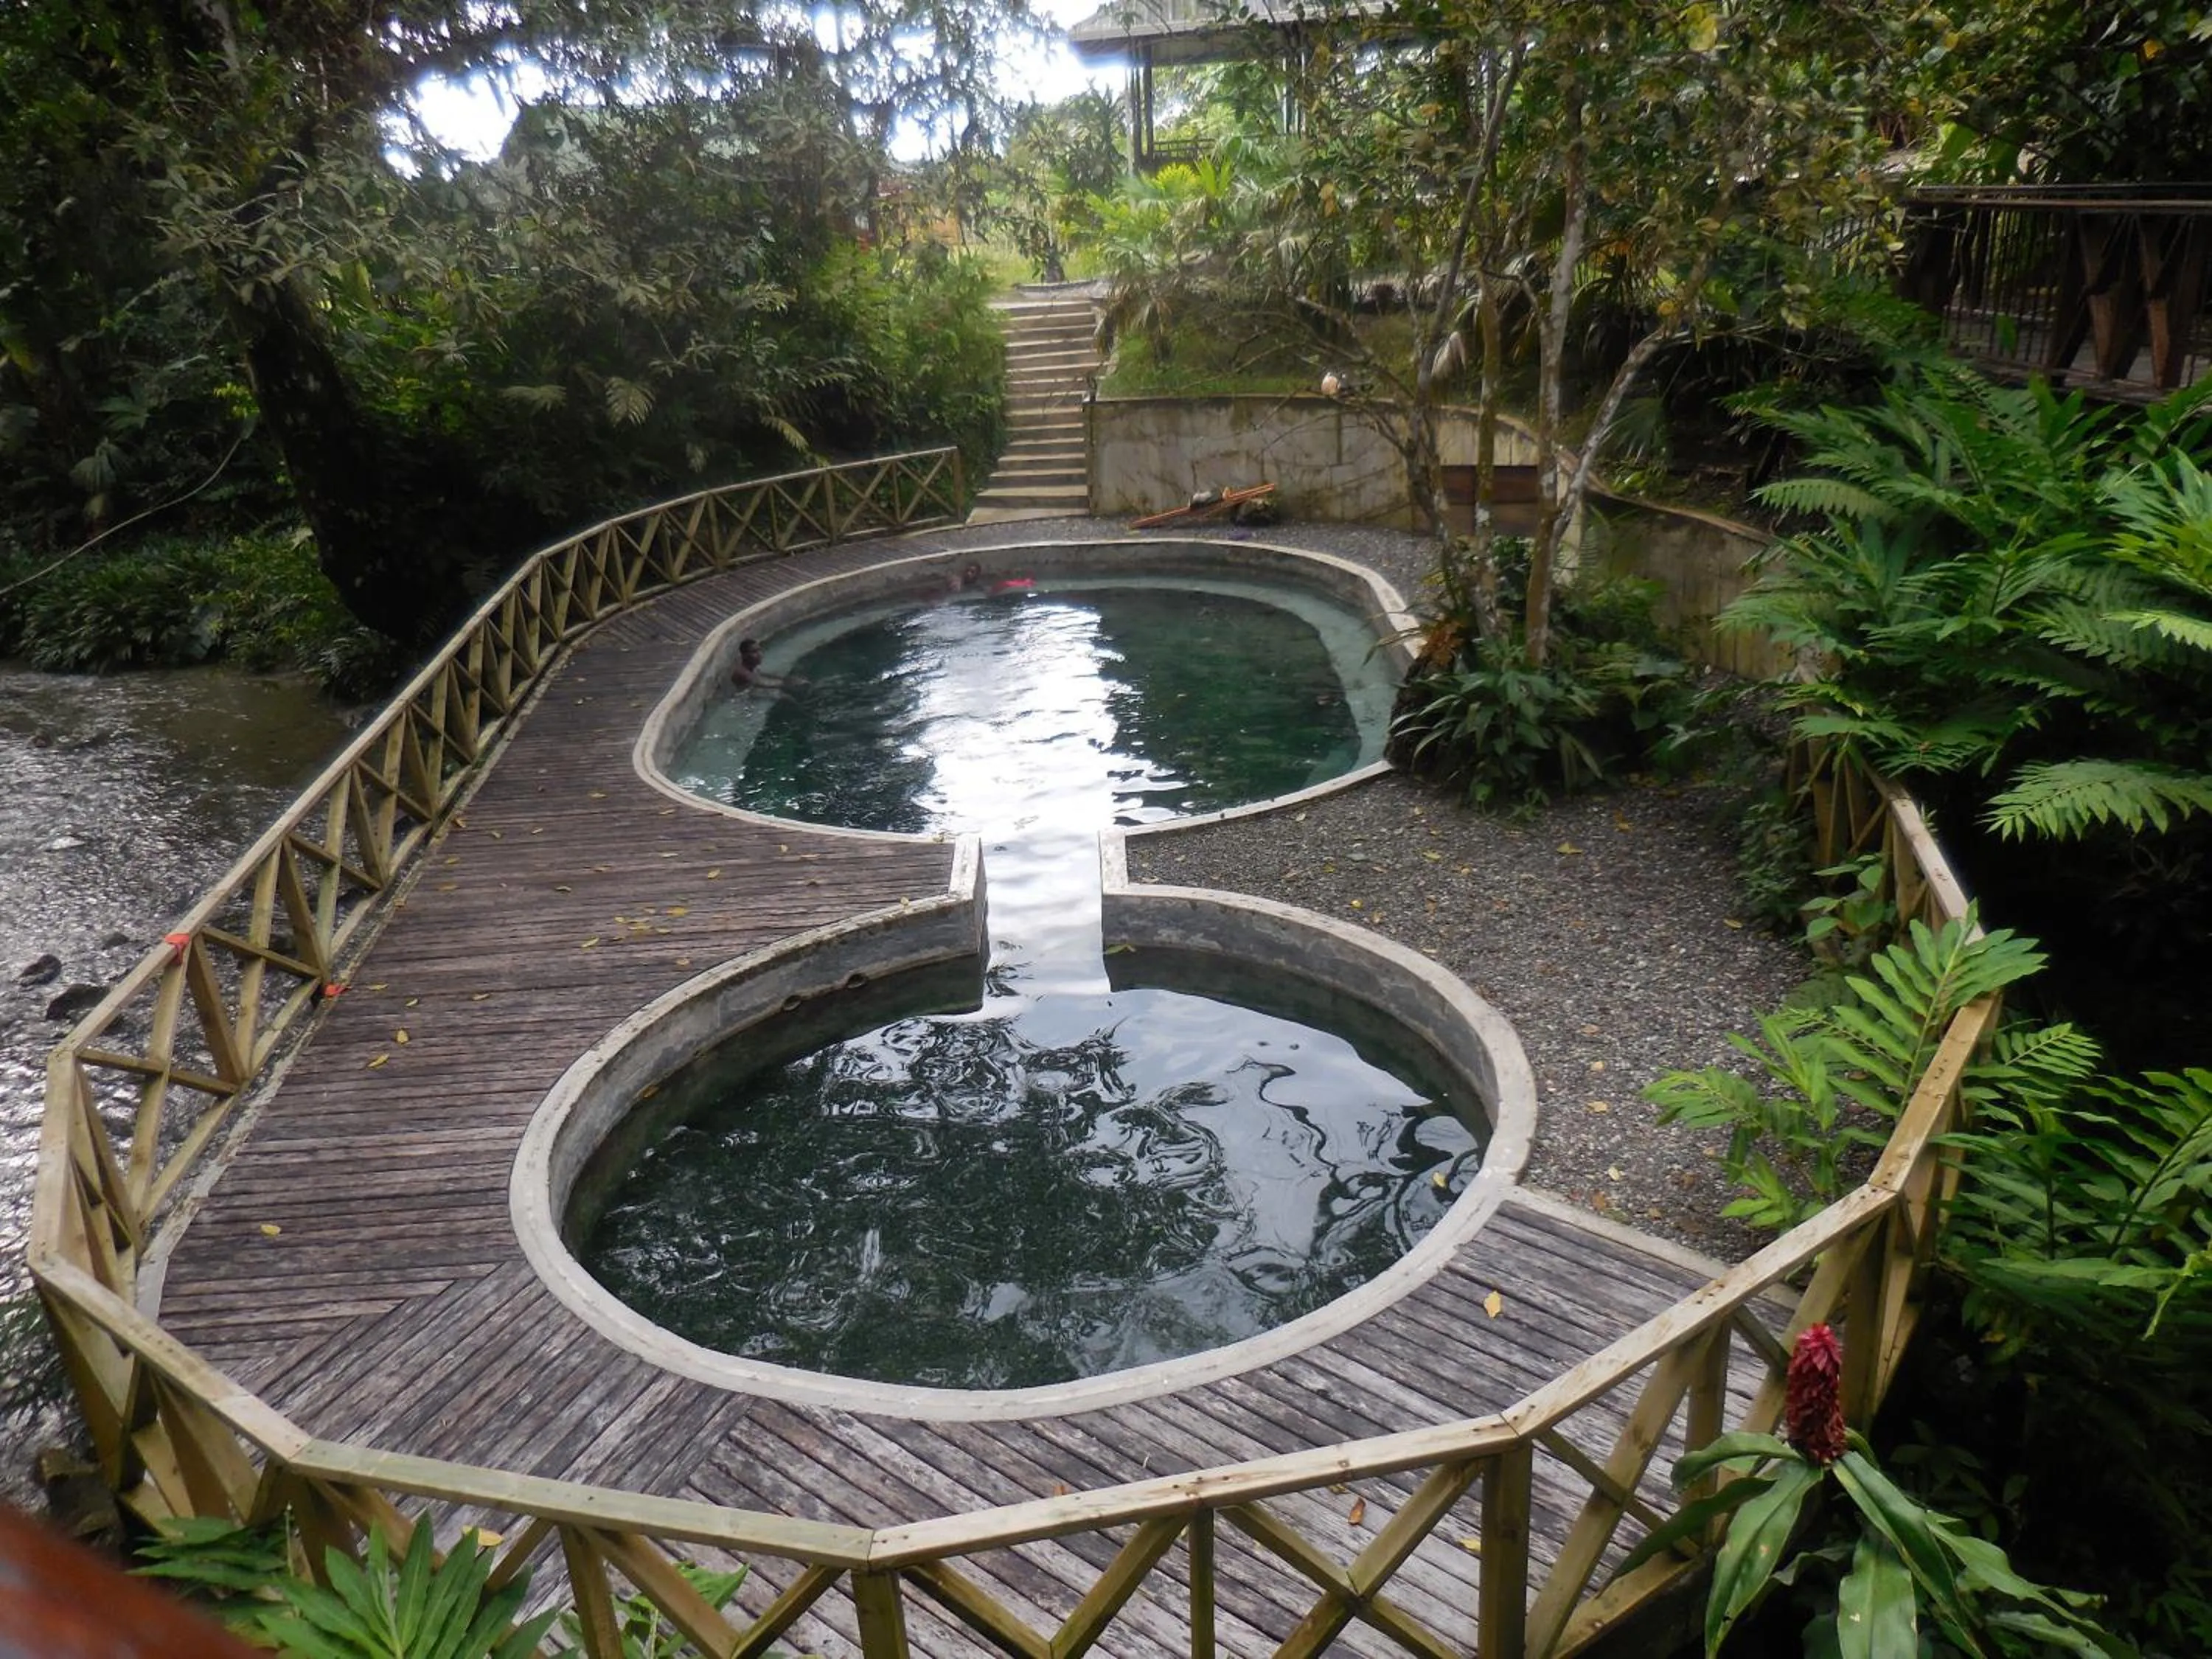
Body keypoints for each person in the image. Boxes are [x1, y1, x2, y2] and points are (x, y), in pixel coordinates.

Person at [728, 637, 795, 693]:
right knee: (785, 697)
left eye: (759, 650)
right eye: (754, 652)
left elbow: (760, 674)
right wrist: (789, 683)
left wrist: (785, 679)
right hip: (743, 697)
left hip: (752, 690)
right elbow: (762, 684)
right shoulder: (744, 673)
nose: (759, 654)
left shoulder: (751, 667)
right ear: (744, 655)